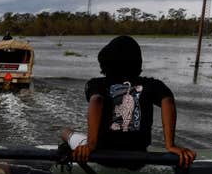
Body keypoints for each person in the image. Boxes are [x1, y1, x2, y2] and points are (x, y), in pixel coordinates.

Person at [61, 35, 196, 167]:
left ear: (105, 62)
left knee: (65, 132)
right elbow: (167, 100)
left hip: (101, 157)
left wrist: (90, 145)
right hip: (137, 160)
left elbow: (96, 100)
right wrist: (170, 145)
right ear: (138, 62)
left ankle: (75, 138)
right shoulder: (152, 84)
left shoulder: (96, 84)